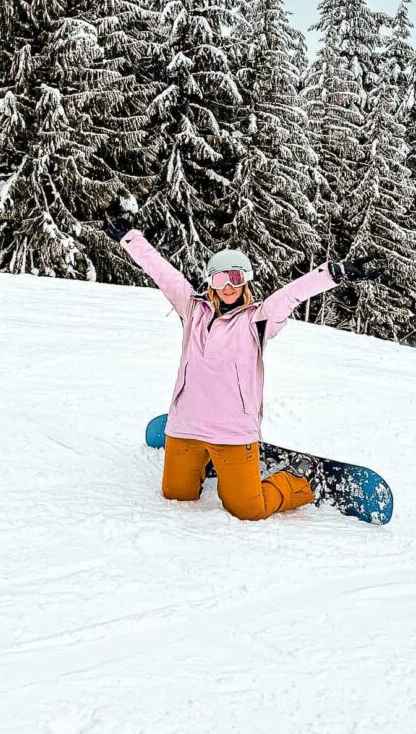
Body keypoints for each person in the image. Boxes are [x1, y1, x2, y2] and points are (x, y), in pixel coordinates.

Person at [103, 199, 381, 521]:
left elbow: (291, 295)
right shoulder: (192, 310)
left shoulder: (258, 320)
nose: (229, 287)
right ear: (210, 283)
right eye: (220, 279)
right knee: (176, 495)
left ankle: (298, 479)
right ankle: (207, 464)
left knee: (249, 509)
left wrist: (334, 273)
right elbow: (163, 273)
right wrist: (129, 237)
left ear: (246, 281)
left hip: (232, 432)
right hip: (186, 425)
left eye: (236, 278)